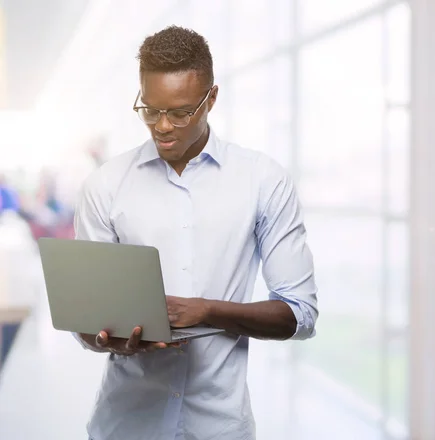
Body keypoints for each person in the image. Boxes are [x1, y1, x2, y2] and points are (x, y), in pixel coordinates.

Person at [73, 25, 319, 440]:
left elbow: (300, 315)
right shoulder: (105, 185)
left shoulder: (262, 180)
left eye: (181, 111)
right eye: (150, 110)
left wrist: (205, 311)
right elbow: (86, 324)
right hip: (126, 425)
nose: (163, 126)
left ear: (212, 98)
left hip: (218, 426)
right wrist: (111, 341)